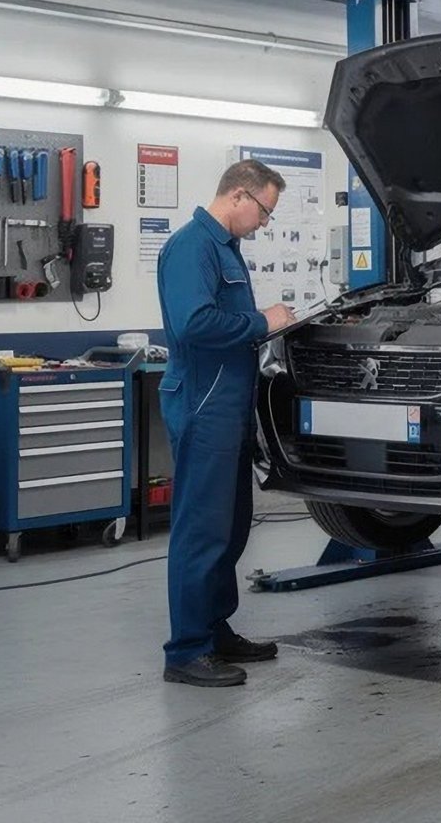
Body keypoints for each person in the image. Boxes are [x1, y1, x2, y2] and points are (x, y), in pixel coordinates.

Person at [157, 161, 298, 686]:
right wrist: (263, 321)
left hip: (230, 405)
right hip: (203, 403)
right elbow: (195, 324)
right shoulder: (193, 246)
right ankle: (186, 650)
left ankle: (215, 629)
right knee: (201, 530)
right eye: (264, 210)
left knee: (232, 528)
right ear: (239, 196)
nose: (265, 223)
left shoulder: (223, 247)